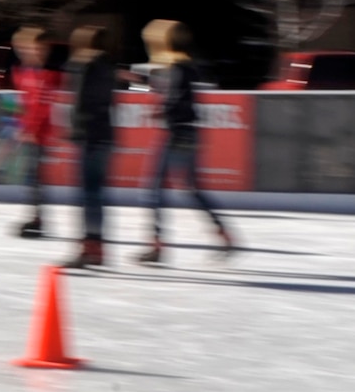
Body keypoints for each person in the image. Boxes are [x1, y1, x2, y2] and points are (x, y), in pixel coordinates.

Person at [138, 20, 237, 265]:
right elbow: (174, 91)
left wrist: (163, 110)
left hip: (177, 133)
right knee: (190, 189)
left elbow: (176, 97)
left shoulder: (178, 68)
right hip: (188, 132)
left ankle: (157, 244)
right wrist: (144, 82)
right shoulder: (183, 66)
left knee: (153, 188)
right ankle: (224, 235)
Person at [61, 25, 118, 270]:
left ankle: (90, 247)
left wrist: (75, 130)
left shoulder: (85, 65)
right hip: (105, 133)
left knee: (89, 194)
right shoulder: (109, 66)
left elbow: (80, 100)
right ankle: (96, 246)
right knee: (96, 193)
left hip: (89, 135)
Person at [11, 28, 64, 239]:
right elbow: (22, 105)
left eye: (41, 49)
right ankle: (36, 216)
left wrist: (31, 131)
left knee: (36, 178)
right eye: (33, 48)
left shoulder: (49, 75)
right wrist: (20, 127)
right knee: (32, 178)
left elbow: (43, 107)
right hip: (29, 134)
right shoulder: (23, 73)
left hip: (40, 135)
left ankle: (38, 218)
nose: (38, 53)